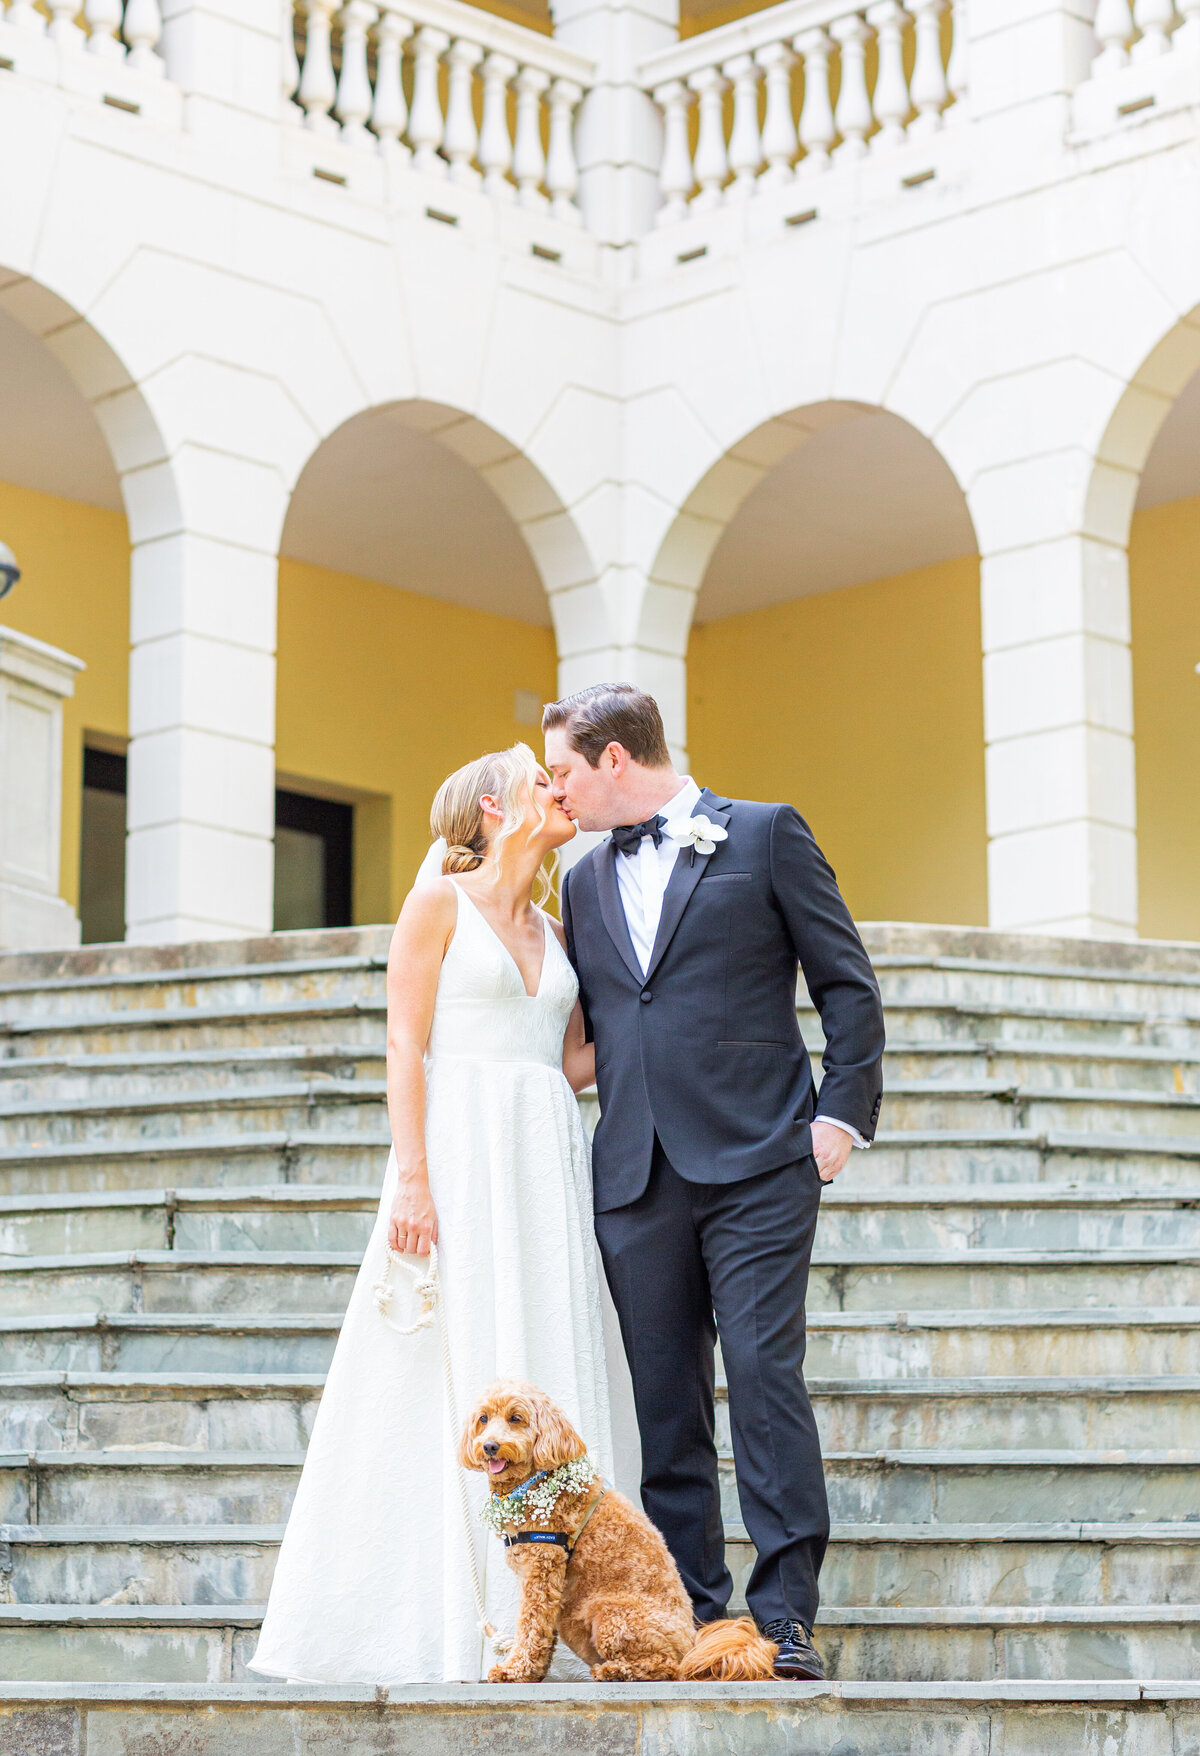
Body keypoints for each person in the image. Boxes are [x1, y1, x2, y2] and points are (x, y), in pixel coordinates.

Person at [249, 744, 638, 1686]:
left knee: (547, 1336)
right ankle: (448, 1606)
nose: (561, 789)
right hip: (458, 1150)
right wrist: (413, 1180)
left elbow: (574, 1058)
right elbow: (403, 1043)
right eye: (542, 781)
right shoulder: (436, 907)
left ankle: (556, 1607)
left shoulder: (557, 927)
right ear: (496, 807)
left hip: (543, 1150)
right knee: (444, 1353)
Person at [544, 683, 885, 1681]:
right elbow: (602, 1027)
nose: (556, 790)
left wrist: (838, 1117)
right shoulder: (580, 883)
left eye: (564, 769)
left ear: (614, 761)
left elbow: (847, 984)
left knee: (767, 1385)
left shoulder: (766, 835)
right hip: (637, 1172)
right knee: (665, 1403)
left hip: (761, 1166)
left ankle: (784, 1622)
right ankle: (692, 1612)